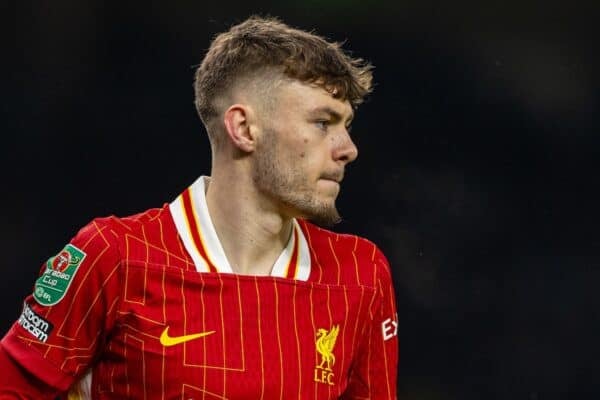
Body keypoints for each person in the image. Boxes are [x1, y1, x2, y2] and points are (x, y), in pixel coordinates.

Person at [0, 16, 398, 399]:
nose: (348, 149)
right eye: (323, 123)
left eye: (347, 125)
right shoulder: (116, 257)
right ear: (243, 128)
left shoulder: (361, 274)